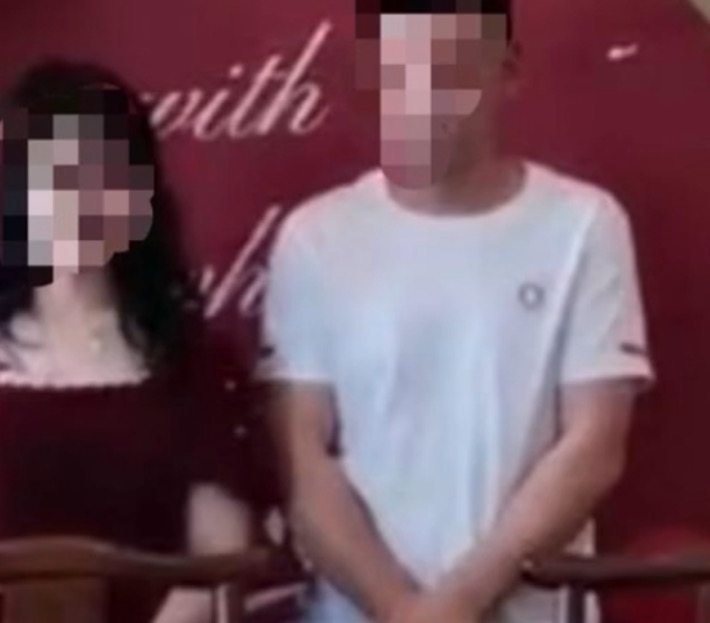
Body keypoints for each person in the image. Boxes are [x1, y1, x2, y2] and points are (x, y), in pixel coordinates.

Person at [261, 1, 654, 622]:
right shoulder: (315, 238)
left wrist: (458, 601)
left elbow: (594, 446)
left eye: (452, 64)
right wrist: (401, 609)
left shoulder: (584, 224)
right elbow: (304, 463)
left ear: (507, 70)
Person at [0, 59, 264, 623]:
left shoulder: (201, 361)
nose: (79, 200)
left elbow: (219, 561)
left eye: (104, 175)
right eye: (54, 177)